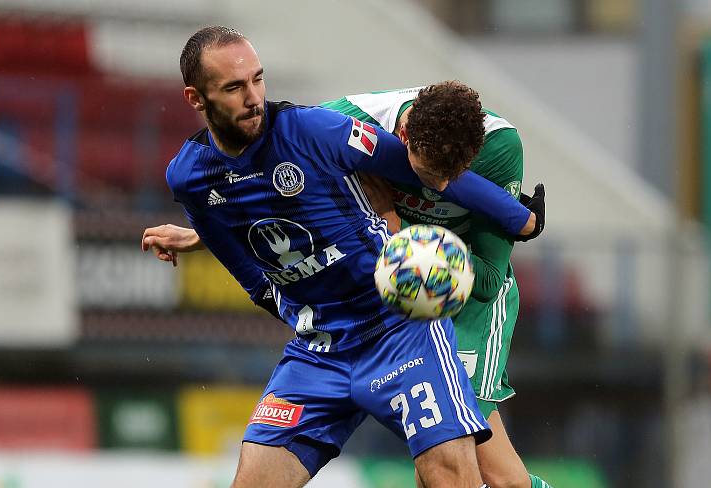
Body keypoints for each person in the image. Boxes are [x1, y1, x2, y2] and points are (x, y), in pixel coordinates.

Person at [162, 25, 543, 488]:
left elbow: (412, 165)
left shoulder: (316, 129)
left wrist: (519, 217)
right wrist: (278, 301)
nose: (254, 97)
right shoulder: (188, 176)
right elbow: (237, 250)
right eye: (234, 87)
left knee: (453, 477)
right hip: (318, 348)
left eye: (258, 79)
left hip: (400, 328)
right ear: (195, 98)